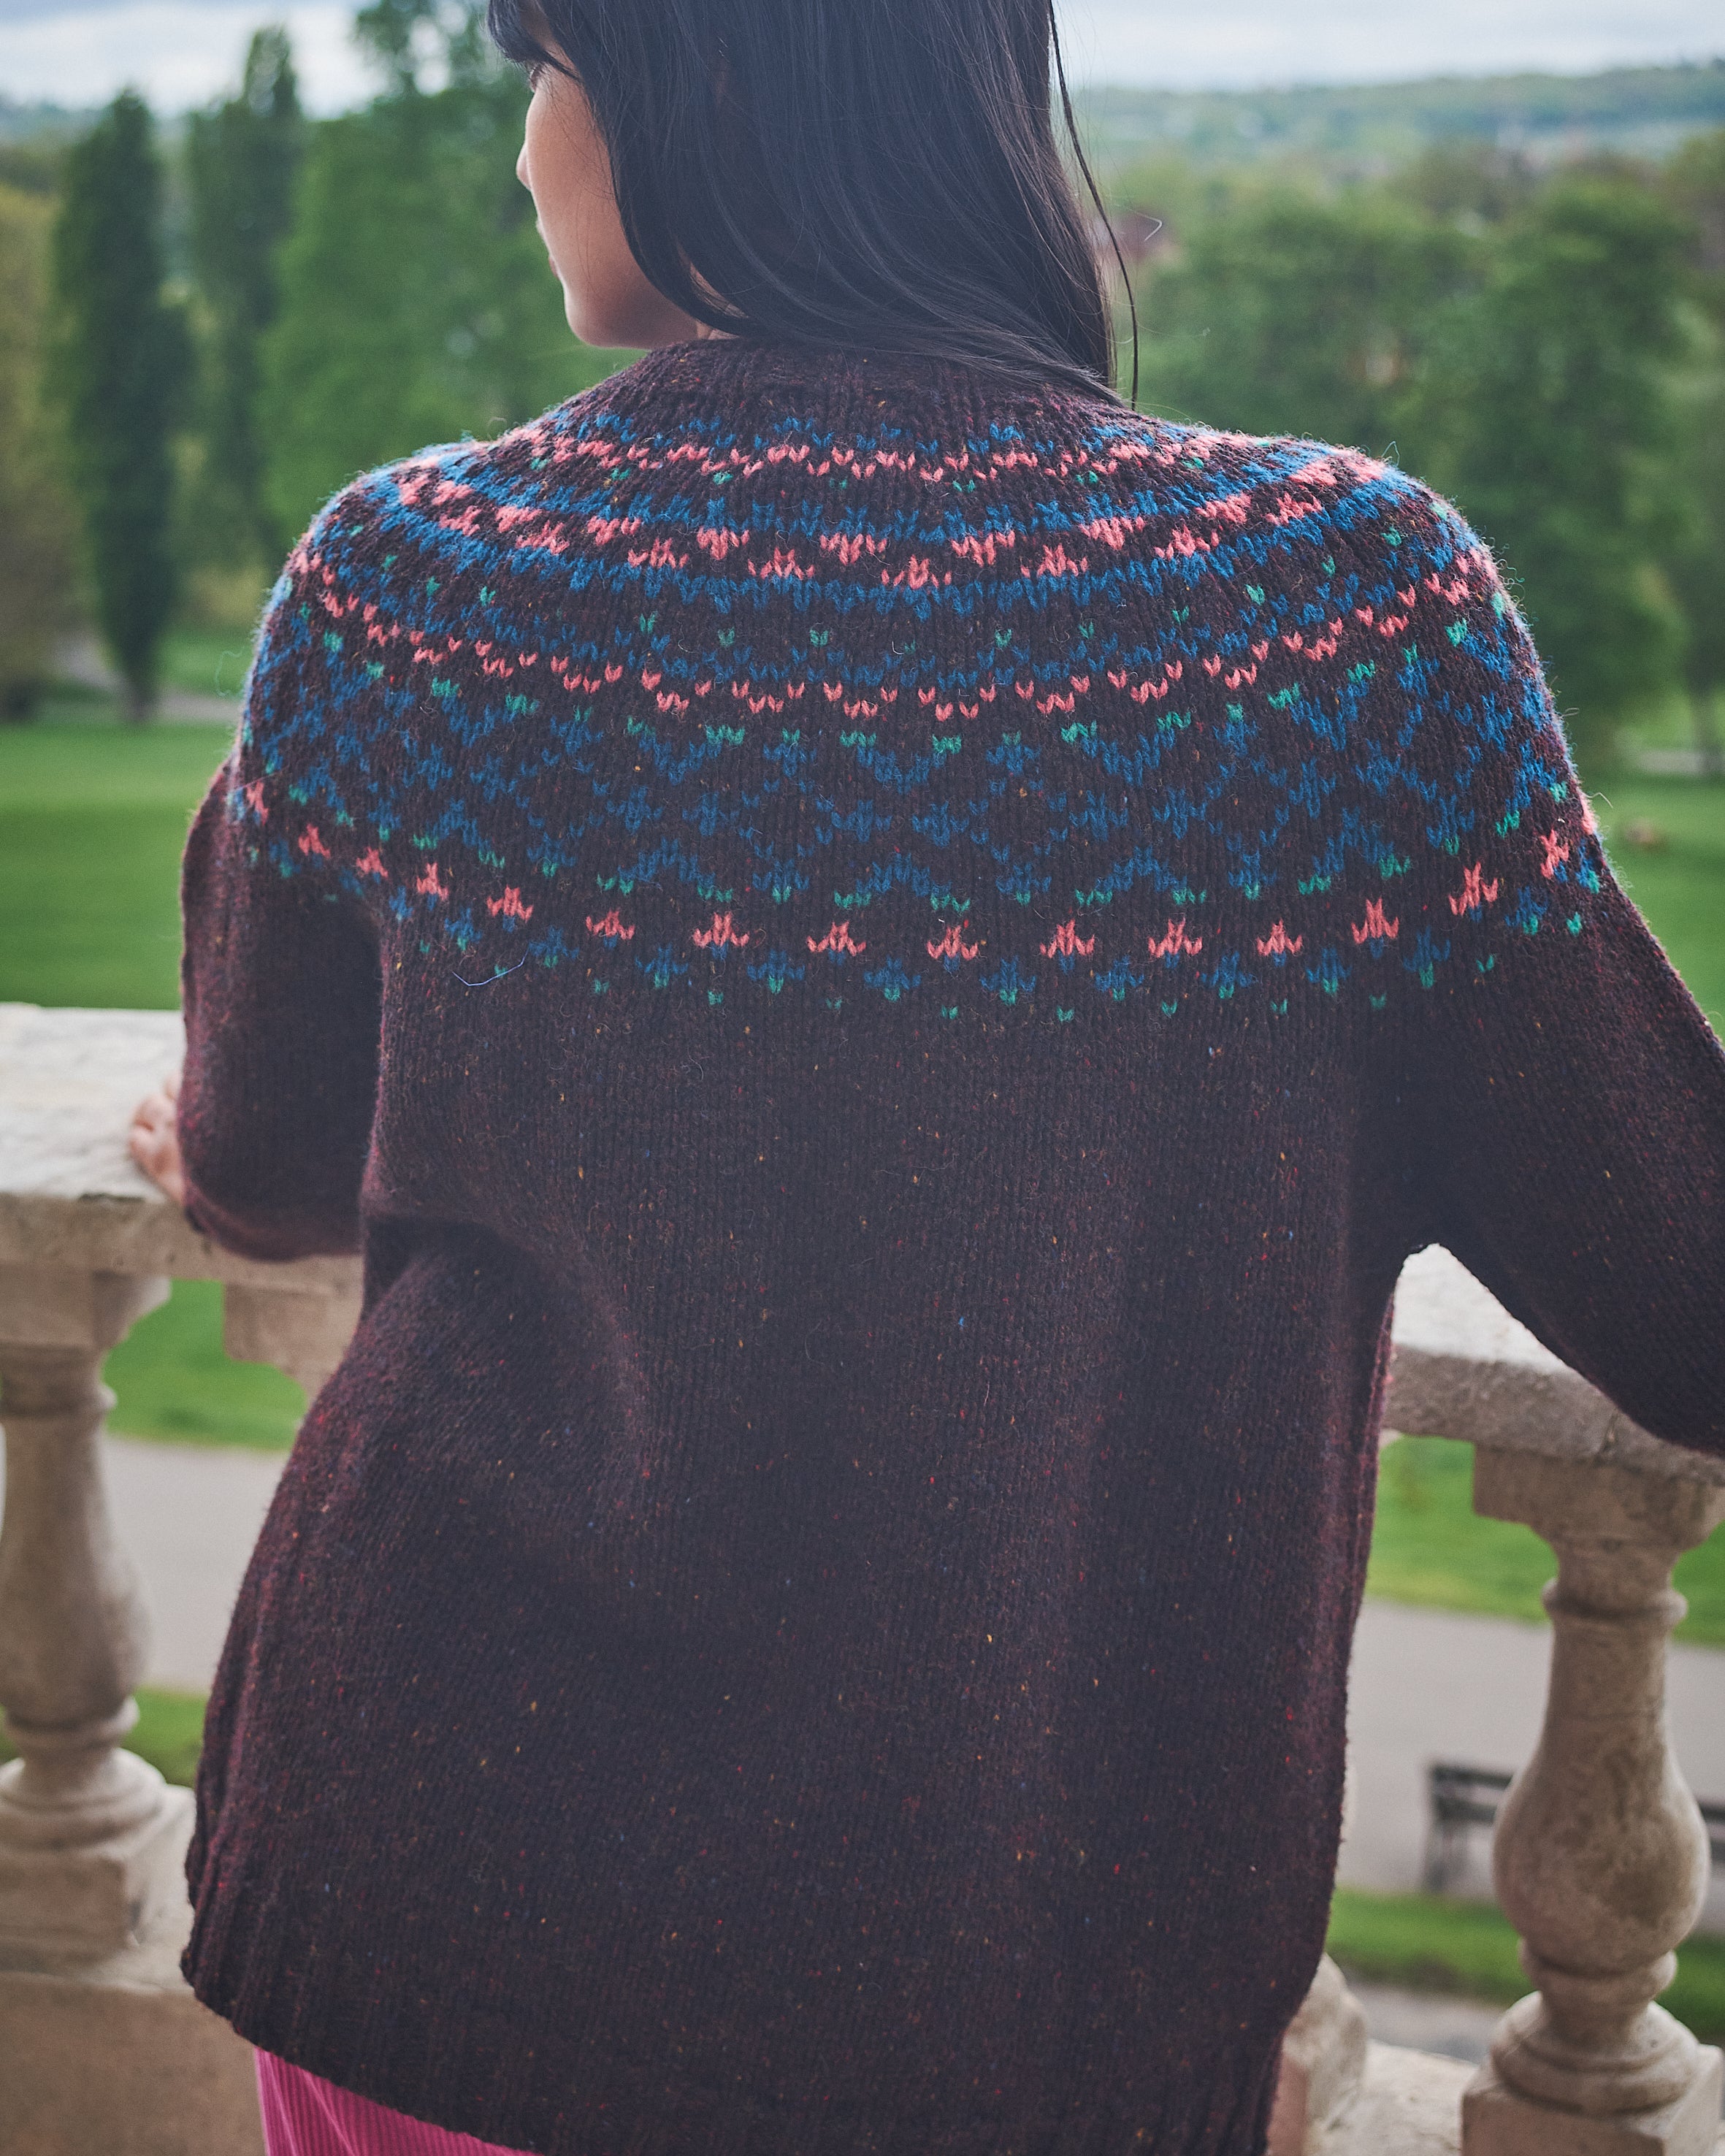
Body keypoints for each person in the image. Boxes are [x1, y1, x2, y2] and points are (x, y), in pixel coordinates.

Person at [127, 1, 1725, 2151]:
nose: (524, 153)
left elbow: (261, 1155)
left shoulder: (413, 590)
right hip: (1021, 1970)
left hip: (432, 1884)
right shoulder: (1331, 626)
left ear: (702, 87)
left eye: (546, 71)